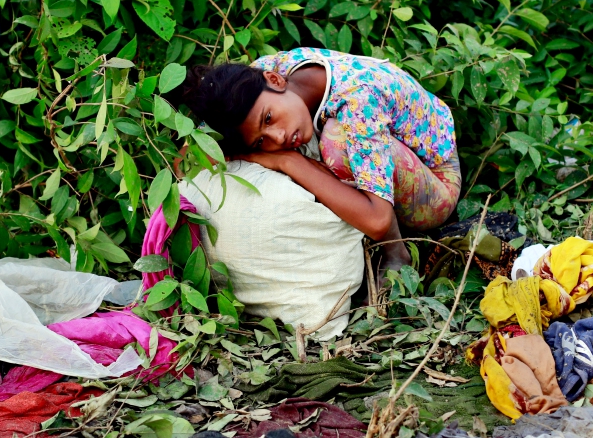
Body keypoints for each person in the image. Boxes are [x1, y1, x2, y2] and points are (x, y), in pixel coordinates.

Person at [179, 47, 461, 273]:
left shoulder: (358, 101)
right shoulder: (260, 78)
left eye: (269, 118)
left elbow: (377, 220)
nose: (278, 137)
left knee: (336, 143)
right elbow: (183, 162)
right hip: (392, 153)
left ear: (275, 80)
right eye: (261, 140)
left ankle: (396, 254)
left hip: (436, 181)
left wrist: (289, 162)